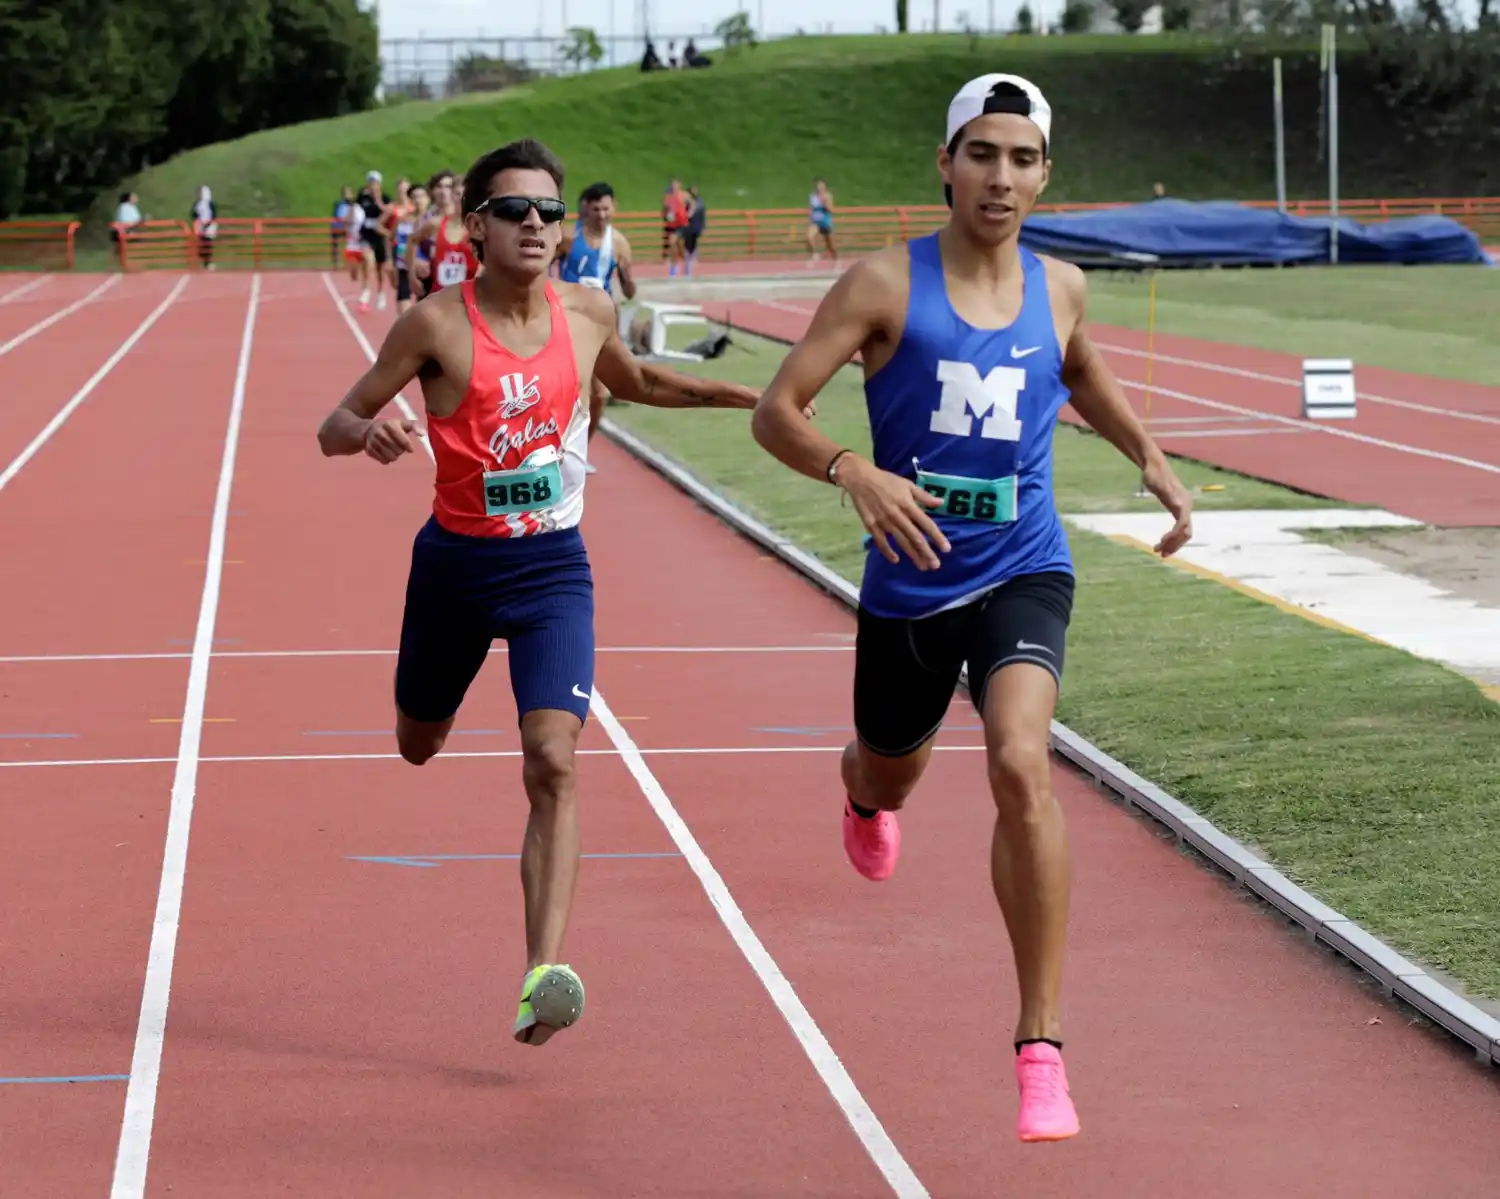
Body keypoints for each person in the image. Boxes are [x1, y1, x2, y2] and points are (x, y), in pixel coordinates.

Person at [748, 75, 1193, 1143]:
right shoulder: (881, 285)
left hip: (1024, 563)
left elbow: (1079, 372)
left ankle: (1040, 1046)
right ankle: (863, 796)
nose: (1002, 176)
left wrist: (1151, 453)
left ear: (1046, 173)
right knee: (886, 760)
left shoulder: (1064, 287)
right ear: (944, 163)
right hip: (911, 576)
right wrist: (853, 468)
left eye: (1023, 158)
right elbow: (776, 411)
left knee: (1020, 759)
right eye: (982, 153)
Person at [315, 139, 796, 1048]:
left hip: (551, 571)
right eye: (514, 210)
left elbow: (642, 380)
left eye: (548, 211)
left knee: (555, 759)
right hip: (455, 570)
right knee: (418, 742)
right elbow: (333, 424)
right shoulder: (433, 325)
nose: (535, 224)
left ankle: (543, 973)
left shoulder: (589, 310)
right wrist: (367, 436)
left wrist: (748, 394)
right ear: (476, 227)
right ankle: (430, 711)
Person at [557, 181, 637, 472]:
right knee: (567, 390)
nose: (602, 215)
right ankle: (553, 449)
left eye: (606, 208)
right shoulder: (567, 237)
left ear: (613, 207)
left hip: (600, 325)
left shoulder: (619, 243)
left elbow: (629, 293)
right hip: (566, 320)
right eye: (596, 209)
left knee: (599, 395)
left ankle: (578, 453)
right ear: (584, 209)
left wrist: (627, 277)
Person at [410, 168, 479, 298]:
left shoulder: (479, 228)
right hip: (439, 298)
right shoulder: (436, 224)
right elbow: (412, 240)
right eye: (458, 194)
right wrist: (412, 274)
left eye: (466, 195)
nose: (461, 199)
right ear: (452, 195)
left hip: (467, 299)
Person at [356, 169, 391, 313]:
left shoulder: (385, 198)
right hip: (366, 236)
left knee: (380, 269)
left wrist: (378, 200)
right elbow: (356, 211)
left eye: (375, 183)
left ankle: (381, 293)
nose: (373, 185)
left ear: (379, 184)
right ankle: (366, 291)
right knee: (368, 261)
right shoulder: (362, 197)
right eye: (370, 182)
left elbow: (389, 213)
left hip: (380, 237)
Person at [807, 178, 836, 266]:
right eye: (818, 186)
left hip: (825, 222)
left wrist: (824, 203)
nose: (819, 188)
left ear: (825, 187)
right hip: (816, 222)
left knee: (830, 245)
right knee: (808, 237)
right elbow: (811, 208)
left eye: (821, 186)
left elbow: (831, 210)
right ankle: (814, 254)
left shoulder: (828, 196)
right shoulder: (812, 196)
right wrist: (810, 215)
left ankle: (835, 260)